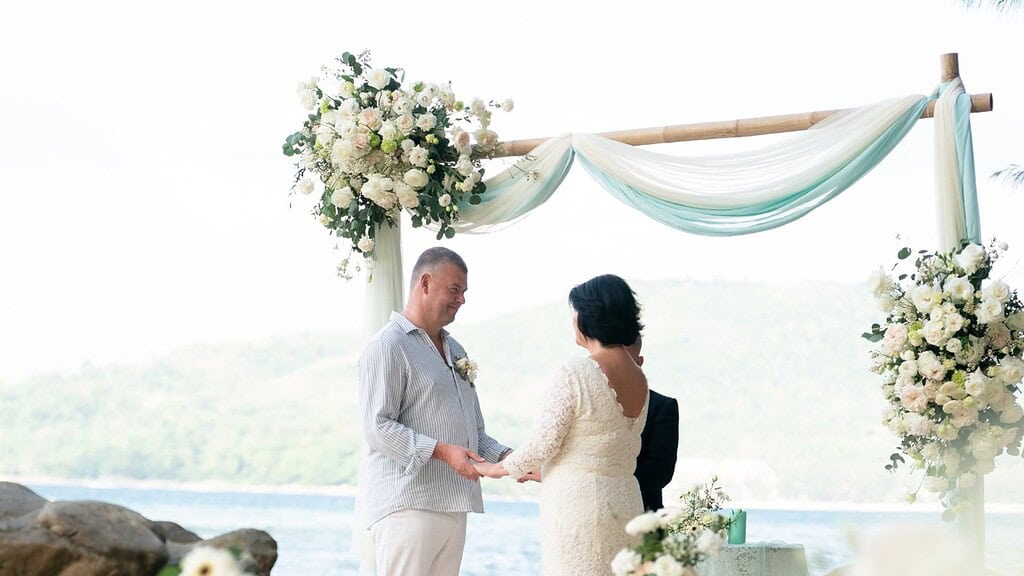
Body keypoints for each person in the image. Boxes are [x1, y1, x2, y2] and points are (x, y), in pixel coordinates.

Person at [475, 274, 648, 575]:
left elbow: (544, 444)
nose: (573, 321)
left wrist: (493, 469)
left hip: (579, 509)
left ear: (589, 317)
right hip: (626, 504)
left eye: (575, 313)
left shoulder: (577, 372)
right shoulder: (640, 378)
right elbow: (600, 446)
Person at [358, 247, 510, 576]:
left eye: (464, 292)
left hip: (455, 505)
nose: (462, 300)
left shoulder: (456, 349)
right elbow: (377, 427)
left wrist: (516, 461)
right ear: (425, 283)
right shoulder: (388, 345)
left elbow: (475, 434)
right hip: (409, 506)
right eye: (455, 290)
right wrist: (442, 452)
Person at [627, 335, 680, 511]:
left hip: (645, 515)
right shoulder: (588, 404)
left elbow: (660, 473)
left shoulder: (662, 406)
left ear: (639, 361)